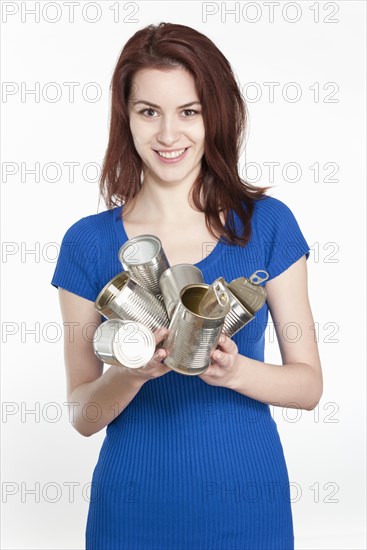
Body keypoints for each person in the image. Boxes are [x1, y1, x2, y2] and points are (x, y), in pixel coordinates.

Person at [51, 22, 323, 550]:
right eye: (148, 111)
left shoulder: (266, 226)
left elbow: (309, 386)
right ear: (125, 117)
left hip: (247, 506)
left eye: (189, 112)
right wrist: (132, 375)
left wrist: (233, 369)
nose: (169, 135)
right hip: (131, 511)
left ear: (214, 116)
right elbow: (83, 414)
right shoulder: (85, 243)